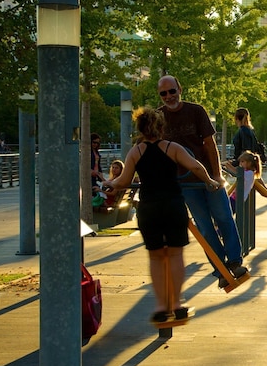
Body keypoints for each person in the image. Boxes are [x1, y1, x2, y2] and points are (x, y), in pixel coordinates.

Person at [102, 108, 223, 324]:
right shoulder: (172, 148)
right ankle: (176, 304)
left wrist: (110, 184)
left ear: (140, 129)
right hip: (172, 204)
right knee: (175, 255)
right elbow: (195, 166)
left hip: (149, 207)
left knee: (156, 256)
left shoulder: (136, 152)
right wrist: (210, 180)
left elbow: (122, 180)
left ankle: (160, 306)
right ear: (161, 127)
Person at [157, 75, 247, 289]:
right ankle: (220, 268)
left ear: (180, 89)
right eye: (164, 93)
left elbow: (209, 144)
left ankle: (234, 261)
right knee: (204, 227)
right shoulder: (158, 117)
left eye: (172, 91)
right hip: (184, 182)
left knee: (224, 216)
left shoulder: (195, 111)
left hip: (207, 175)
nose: (169, 96)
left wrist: (216, 175)